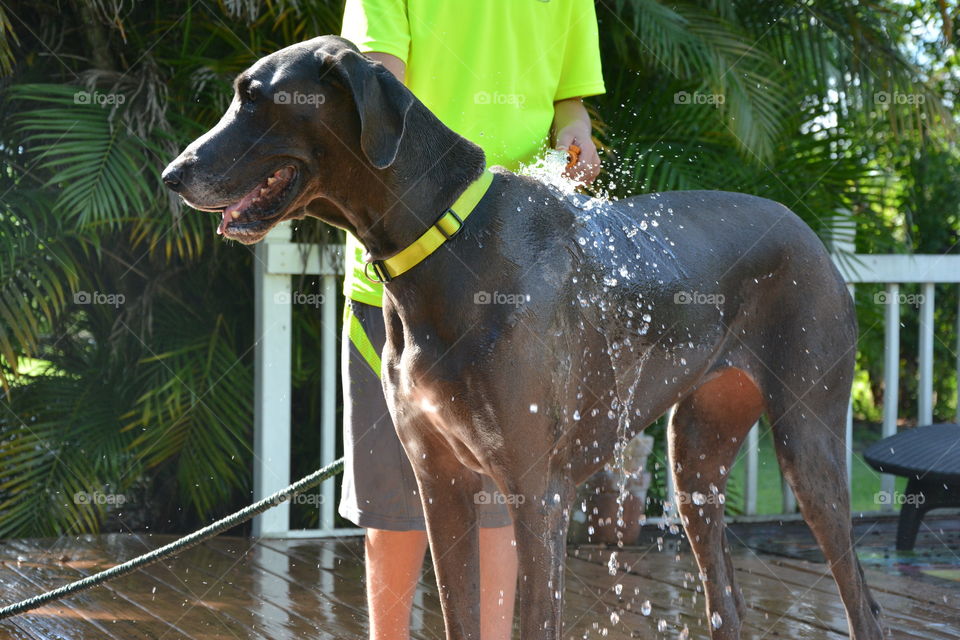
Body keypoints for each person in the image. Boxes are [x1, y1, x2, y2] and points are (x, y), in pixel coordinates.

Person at [337, 2, 605, 638]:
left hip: (514, 282)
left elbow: (570, 105)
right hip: (400, 275)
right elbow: (375, 91)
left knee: (503, 501)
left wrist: (577, 135)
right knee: (394, 503)